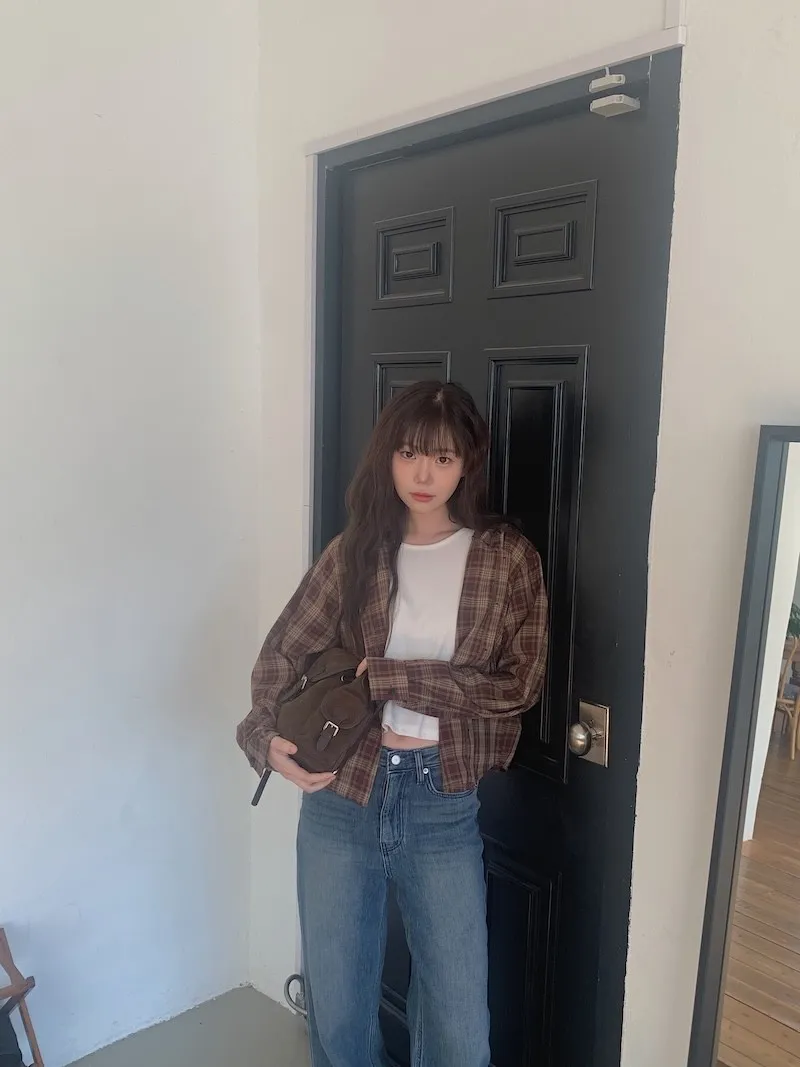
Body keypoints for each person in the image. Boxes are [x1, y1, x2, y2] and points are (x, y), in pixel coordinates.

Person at [236, 381, 548, 1067]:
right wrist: (264, 739)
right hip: (343, 796)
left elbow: (517, 688)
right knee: (339, 1013)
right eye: (409, 453)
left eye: (442, 456)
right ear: (388, 457)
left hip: (441, 802)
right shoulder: (357, 550)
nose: (423, 474)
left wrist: (394, 676)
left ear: (468, 462)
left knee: (460, 1029)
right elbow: (284, 651)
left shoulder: (506, 559)